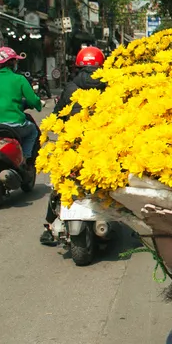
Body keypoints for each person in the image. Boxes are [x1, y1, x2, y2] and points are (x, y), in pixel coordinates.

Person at [40, 46, 106, 246]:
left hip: (73, 143)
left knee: (60, 185)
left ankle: (49, 224)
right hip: (102, 143)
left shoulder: (70, 87)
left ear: (78, 65)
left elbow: (58, 114)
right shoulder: (109, 86)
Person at [0, 47, 42, 162]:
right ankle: (24, 158)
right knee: (33, 131)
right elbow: (33, 100)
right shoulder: (19, 79)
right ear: (12, 62)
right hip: (14, 125)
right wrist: (38, 105)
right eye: (15, 61)